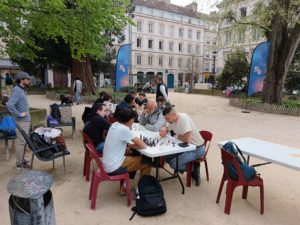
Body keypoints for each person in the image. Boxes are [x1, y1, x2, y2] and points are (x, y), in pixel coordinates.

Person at [102, 108, 151, 194]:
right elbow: (143, 145)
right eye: (133, 119)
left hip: (107, 164)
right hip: (114, 167)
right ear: (130, 120)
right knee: (147, 162)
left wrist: (129, 145)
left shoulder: (115, 124)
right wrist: (131, 145)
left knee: (133, 157)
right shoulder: (124, 129)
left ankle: (124, 188)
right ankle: (139, 192)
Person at [159, 106, 205, 186]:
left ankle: (194, 168)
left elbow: (187, 140)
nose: (166, 120)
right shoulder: (172, 120)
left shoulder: (183, 119)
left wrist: (178, 136)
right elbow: (167, 128)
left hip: (197, 149)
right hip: (186, 147)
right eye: (165, 119)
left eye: (167, 118)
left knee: (174, 164)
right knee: (166, 156)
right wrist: (164, 129)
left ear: (174, 114)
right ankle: (189, 167)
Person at [7, 71, 32, 169]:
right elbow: (10, 104)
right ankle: (19, 163)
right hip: (22, 121)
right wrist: (19, 114)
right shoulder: (17, 90)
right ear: (21, 80)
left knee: (23, 142)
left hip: (25, 121)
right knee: (21, 142)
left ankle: (21, 159)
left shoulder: (22, 90)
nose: (30, 81)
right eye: (28, 79)